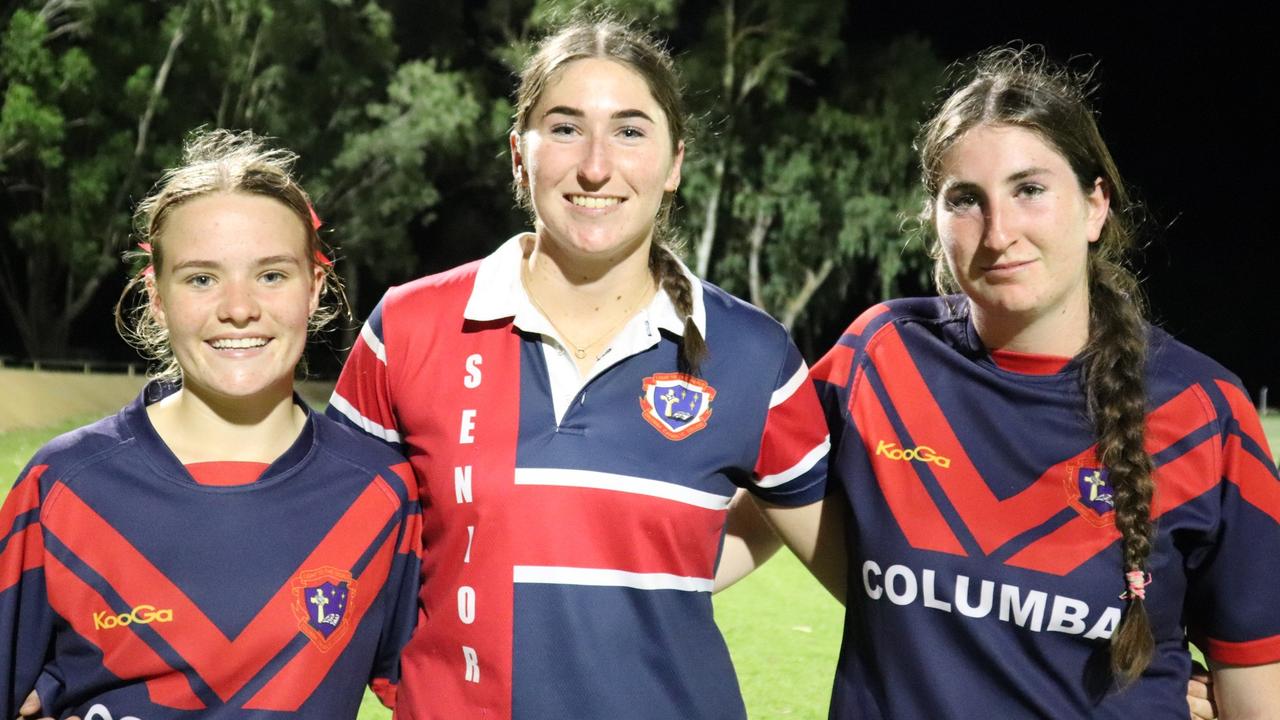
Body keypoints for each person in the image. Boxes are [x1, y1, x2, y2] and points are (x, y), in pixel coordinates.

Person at [325, 17, 832, 719]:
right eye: (564, 129)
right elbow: (330, 553)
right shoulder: (408, 329)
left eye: (630, 131)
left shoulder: (751, 354)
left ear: (675, 162)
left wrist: (682, 567)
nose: (596, 165)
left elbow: (865, 573)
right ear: (518, 154)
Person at [758, 47, 1280, 717]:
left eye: (1029, 190)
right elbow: (714, 520)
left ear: (1095, 207)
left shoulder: (1203, 413)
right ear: (934, 221)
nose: (999, 233)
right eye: (966, 200)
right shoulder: (880, 358)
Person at [0, 130, 422, 719]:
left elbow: (446, 688)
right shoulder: (61, 489)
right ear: (156, 295)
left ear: (314, 289)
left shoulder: (381, 495)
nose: (239, 307)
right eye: (202, 278)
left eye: (271, 275)